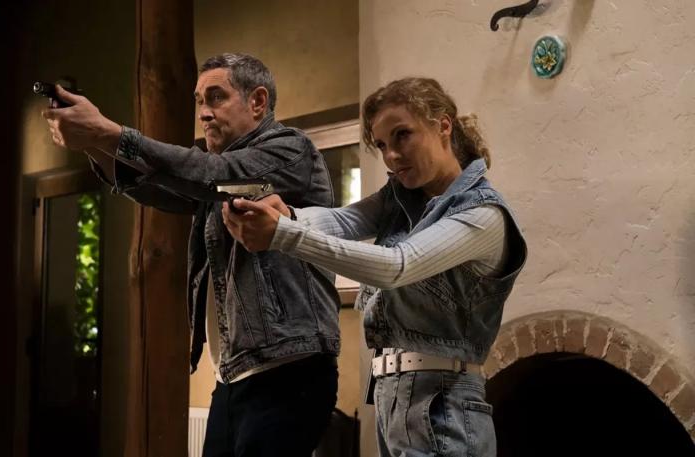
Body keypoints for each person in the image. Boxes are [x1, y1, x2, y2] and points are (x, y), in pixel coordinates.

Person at [43, 53, 341, 457]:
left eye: (216, 97)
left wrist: (108, 132)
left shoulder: (290, 149)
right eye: (199, 101)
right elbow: (159, 188)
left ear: (257, 101)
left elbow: (208, 174)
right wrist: (93, 144)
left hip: (290, 371)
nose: (203, 112)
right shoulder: (215, 177)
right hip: (234, 376)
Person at [222, 77, 528, 457]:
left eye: (403, 135)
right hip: (395, 398)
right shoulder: (401, 197)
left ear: (443, 126)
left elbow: (397, 266)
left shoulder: (484, 214)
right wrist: (288, 215)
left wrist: (284, 235)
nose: (392, 155)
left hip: (444, 403)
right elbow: (344, 220)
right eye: (382, 145)